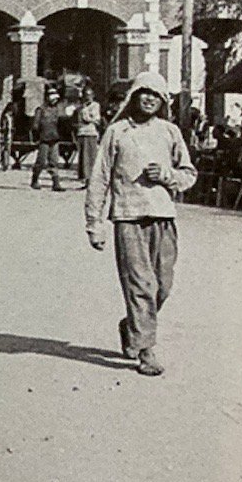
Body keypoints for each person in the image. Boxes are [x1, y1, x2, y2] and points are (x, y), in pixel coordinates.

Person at [84, 70, 197, 377]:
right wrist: (95, 223)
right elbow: (99, 179)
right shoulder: (117, 132)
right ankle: (146, 350)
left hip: (163, 217)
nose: (149, 99)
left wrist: (168, 176)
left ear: (163, 101)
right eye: (144, 93)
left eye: (156, 95)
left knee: (163, 286)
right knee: (141, 285)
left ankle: (133, 325)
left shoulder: (170, 132)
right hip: (128, 217)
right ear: (134, 96)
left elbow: (189, 173)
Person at [30, 85, 66, 192]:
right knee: (41, 161)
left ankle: (56, 183)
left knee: (54, 161)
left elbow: (61, 122)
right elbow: (35, 125)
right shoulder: (40, 110)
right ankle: (34, 180)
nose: (54, 100)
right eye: (52, 97)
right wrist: (36, 137)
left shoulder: (57, 110)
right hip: (44, 138)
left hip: (54, 138)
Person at [74, 85, 103, 182]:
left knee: (90, 156)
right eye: (86, 95)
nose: (87, 97)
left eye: (89, 95)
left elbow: (93, 119)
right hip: (81, 133)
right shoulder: (82, 106)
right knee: (83, 157)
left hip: (91, 133)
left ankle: (92, 179)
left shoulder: (95, 105)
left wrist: (85, 112)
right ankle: (85, 178)